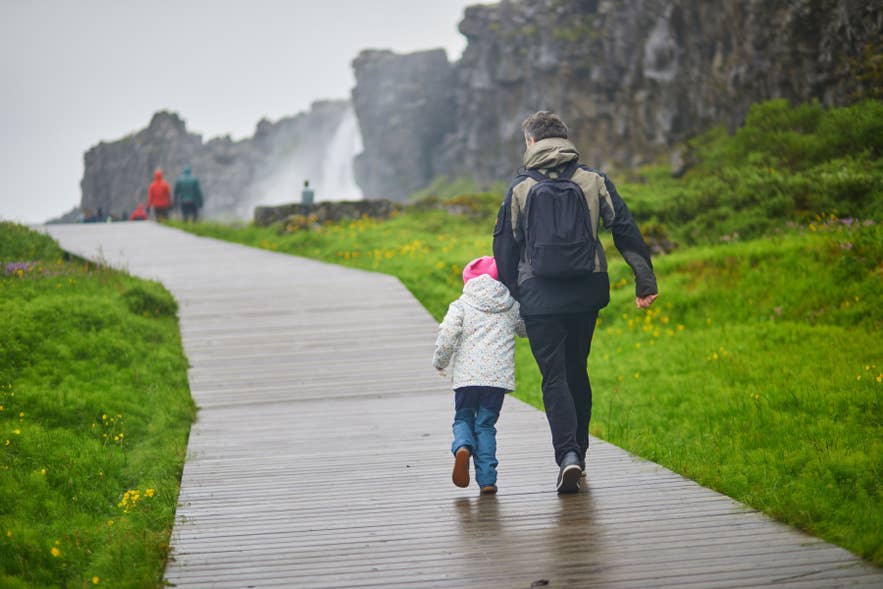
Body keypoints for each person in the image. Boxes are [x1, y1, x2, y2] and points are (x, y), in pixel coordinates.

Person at [492, 111, 659, 493]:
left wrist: (515, 295)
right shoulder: (594, 180)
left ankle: (567, 455)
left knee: (554, 377)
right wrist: (644, 280)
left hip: (540, 298)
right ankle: (579, 457)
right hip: (586, 293)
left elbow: (504, 245)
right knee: (576, 369)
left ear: (531, 142)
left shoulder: (519, 188)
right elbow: (624, 227)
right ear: (565, 139)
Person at [433, 256, 527, 495]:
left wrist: (440, 361)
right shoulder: (510, 304)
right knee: (485, 425)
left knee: (463, 419)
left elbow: (448, 334)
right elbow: (525, 330)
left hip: (467, 378)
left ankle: (463, 447)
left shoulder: (461, 304)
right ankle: (487, 480)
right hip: (496, 380)